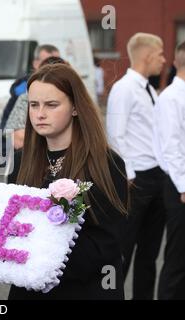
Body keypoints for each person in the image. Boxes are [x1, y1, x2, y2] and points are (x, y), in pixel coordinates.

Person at [7, 63, 128, 299]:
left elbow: (109, 242)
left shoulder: (105, 162)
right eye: (34, 105)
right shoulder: (22, 160)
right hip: (29, 289)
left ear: (74, 107)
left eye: (52, 105)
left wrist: (42, 256)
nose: (40, 113)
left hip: (85, 289)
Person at [106, 32, 166, 300]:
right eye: (161, 54)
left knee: (150, 253)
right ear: (147, 56)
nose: (164, 60)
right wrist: (127, 176)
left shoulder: (150, 89)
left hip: (157, 176)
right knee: (124, 249)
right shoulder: (124, 88)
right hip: (135, 179)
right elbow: (115, 134)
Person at [155, 40, 185, 300]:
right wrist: (183, 187)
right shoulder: (171, 97)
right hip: (179, 187)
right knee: (177, 256)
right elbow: (170, 147)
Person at [0, 45, 60, 151]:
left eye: (57, 62)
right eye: (47, 62)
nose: (52, 67)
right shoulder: (22, 94)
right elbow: (15, 137)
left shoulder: (69, 93)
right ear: (36, 63)